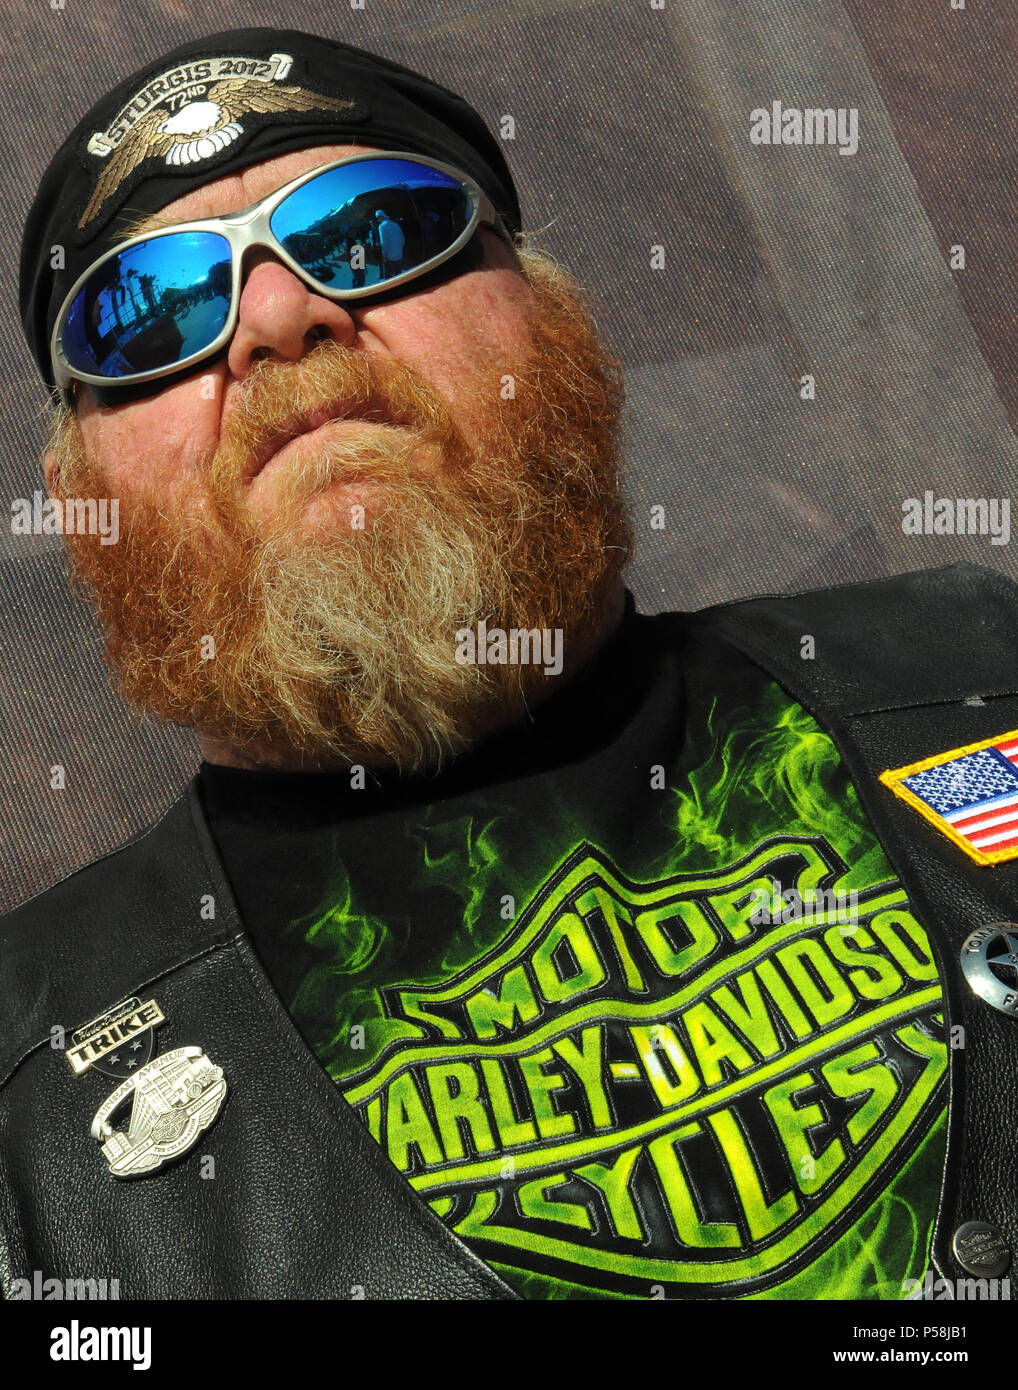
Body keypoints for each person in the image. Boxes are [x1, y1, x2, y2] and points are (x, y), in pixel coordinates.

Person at [3, 25, 1017, 1305]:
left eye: (374, 227)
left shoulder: (981, 658)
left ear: (554, 320)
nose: (279, 316)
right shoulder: (22, 1107)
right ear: (75, 493)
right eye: (143, 312)